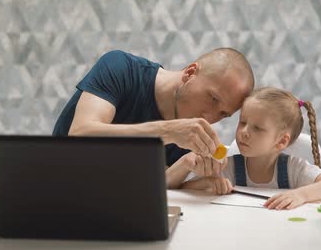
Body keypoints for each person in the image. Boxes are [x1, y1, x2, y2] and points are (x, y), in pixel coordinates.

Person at [53, 48, 255, 170]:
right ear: (190, 73)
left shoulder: (188, 138)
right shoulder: (121, 67)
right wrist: (167, 131)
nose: (210, 117)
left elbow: (162, 184)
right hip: (58, 187)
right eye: (212, 98)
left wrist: (196, 172)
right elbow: (80, 135)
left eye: (223, 114)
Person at [167, 87, 321, 210]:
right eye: (242, 122)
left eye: (257, 128)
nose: (244, 132)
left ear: (281, 142)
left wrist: (301, 195)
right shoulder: (228, 166)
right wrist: (209, 184)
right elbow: (185, 189)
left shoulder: (294, 168)